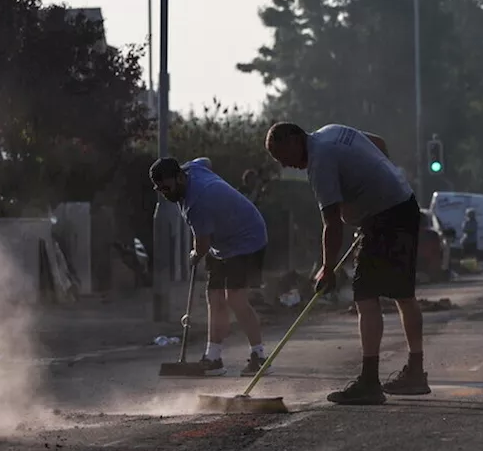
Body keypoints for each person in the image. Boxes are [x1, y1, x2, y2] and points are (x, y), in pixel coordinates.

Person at [264, 122, 428, 405]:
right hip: (404, 204)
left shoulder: (319, 163)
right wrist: (374, 182)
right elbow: (379, 143)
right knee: (403, 294)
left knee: (365, 296)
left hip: (383, 217)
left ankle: (369, 382)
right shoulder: (331, 131)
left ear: (294, 140)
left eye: (283, 157)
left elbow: (332, 224)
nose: (286, 165)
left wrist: (327, 269)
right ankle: (416, 371)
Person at [149, 156, 269, 377]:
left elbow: (201, 245)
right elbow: (206, 160)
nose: (165, 193)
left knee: (234, 298)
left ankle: (259, 356)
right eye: (160, 190)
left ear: (179, 178)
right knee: (214, 297)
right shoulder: (193, 168)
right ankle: (213, 358)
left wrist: (195, 255)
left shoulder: (197, 203)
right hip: (222, 242)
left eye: (166, 187)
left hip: (247, 239)